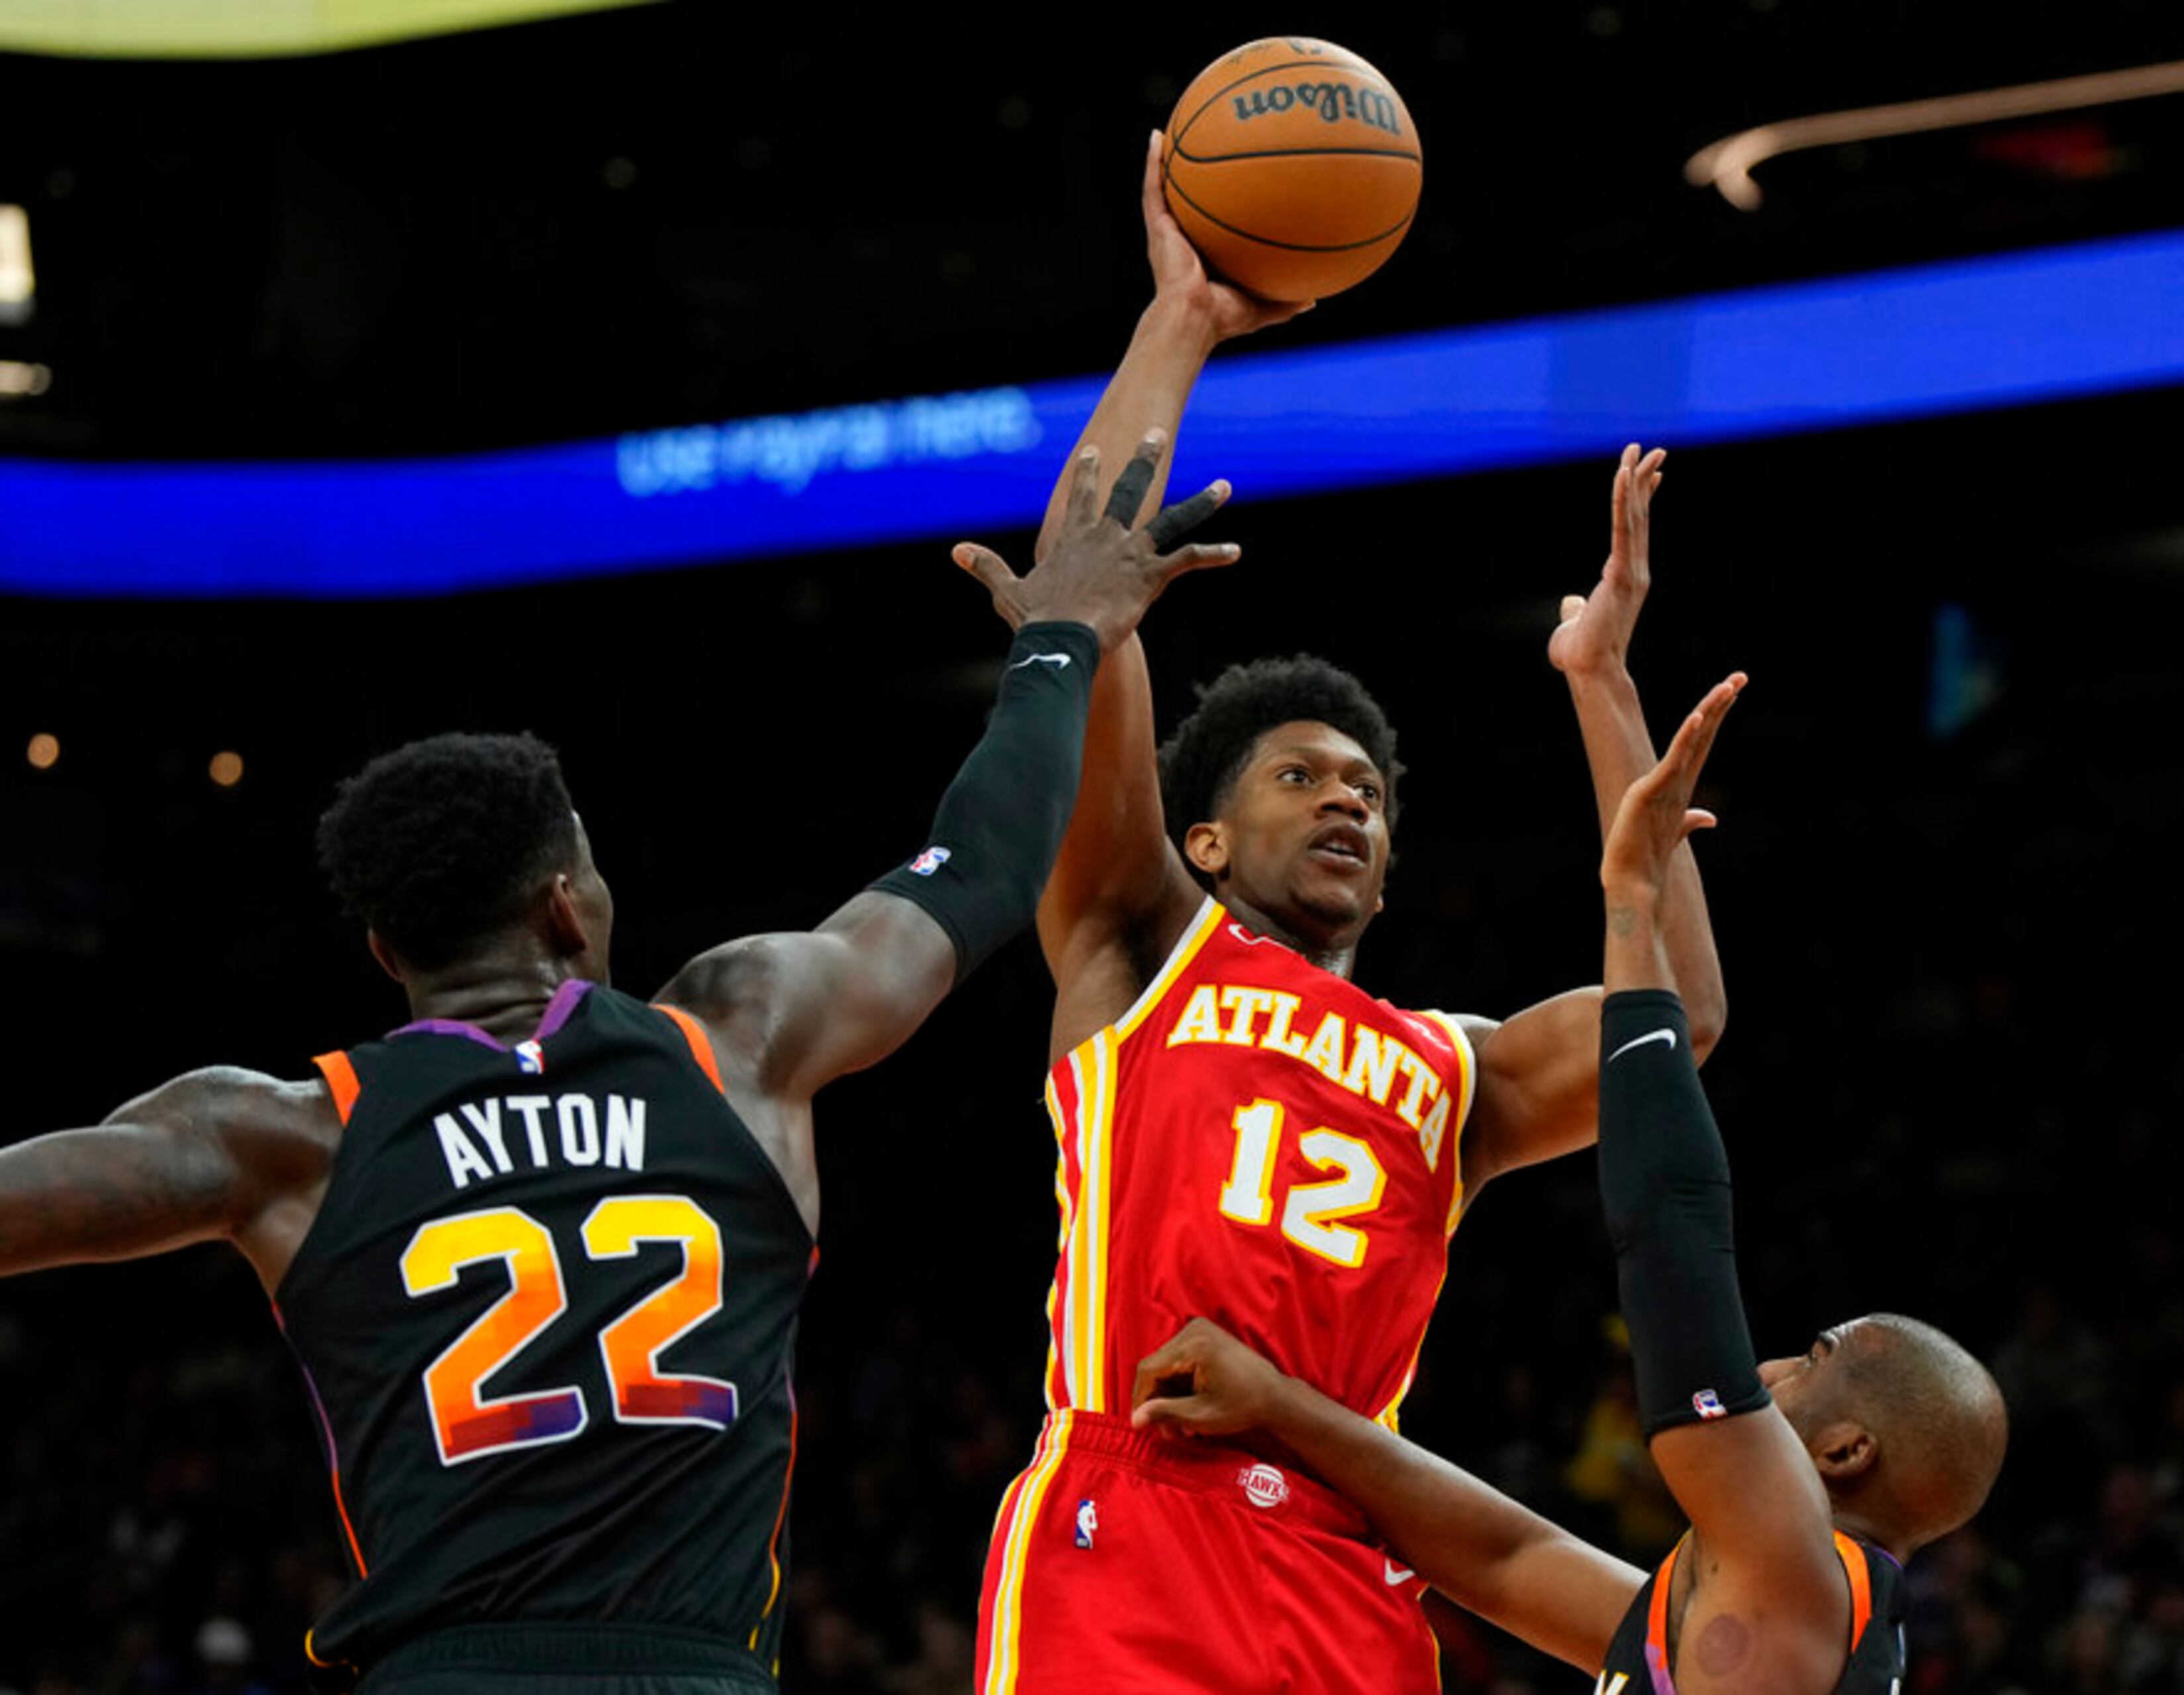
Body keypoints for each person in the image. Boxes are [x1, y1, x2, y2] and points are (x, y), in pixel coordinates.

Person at [0, 439, 1235, 1695]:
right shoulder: (737, 1038)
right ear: (563, 908)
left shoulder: (289, 1134)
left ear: (387, 948)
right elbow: (977, 867)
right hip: (695, 1673)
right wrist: (1061, 638)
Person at [966, 132, 1744, 1695]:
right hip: (1134, 1517)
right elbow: (1082, 581)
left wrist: (1600, 688)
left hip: (1352, 1552)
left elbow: (1682, 1032)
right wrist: (1179, 324)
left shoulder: (1448, 1069)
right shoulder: (1140, 946)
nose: (1347, 800)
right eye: (1302, 777)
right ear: (1201, 831)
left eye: (1370, 794)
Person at [1127, 699, 2011, 1694]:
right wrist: (1599, 680)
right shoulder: (1749, 1603)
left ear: (1849, 1450)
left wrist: (1631, 894)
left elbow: (1672, 1227)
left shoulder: (1793, 1561)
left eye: (1816, 1357)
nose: (1772, 1362)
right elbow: (1497, 1555)